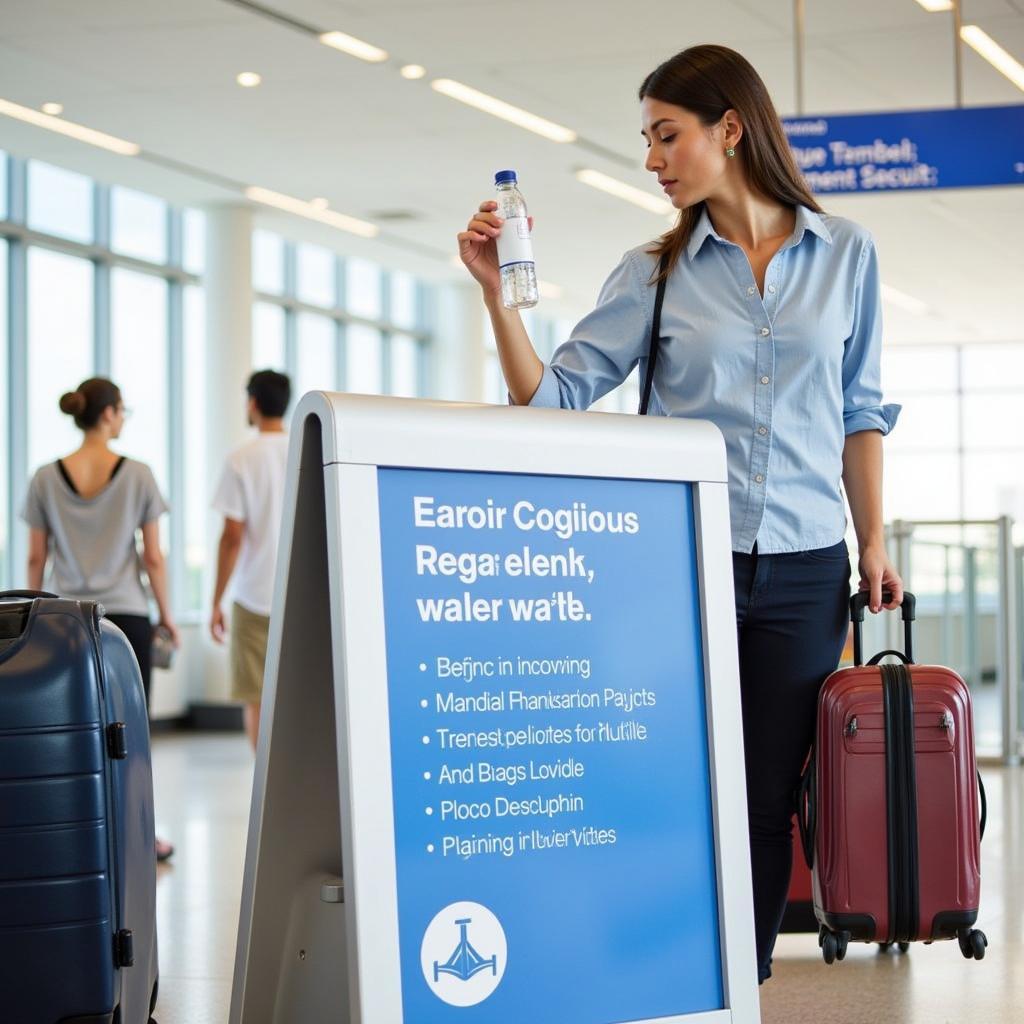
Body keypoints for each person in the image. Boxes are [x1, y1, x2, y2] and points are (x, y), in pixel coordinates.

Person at [458, 44, 904, 984]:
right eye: (648, 141)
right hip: (677, 559)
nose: (653, 161)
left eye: (668, 136)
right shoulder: (653, 271)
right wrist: (500, 302)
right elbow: (557, 396)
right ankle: (657, 967)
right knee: (667, 778)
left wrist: (873, 539)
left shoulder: (846, 254)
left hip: (807, 564)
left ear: (729, 131)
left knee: (765, 795)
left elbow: (859, 412)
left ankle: (737, 982)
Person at [23, 377, 179, 862]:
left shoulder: (45, 477)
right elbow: (153, 558)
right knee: (132, 729)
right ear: (109, 414)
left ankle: (77, 834)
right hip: (126, 618)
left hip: (65, 619)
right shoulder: (140, 474)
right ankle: (139, 836)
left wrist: (31, 617)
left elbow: (35, 559)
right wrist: (167, 615)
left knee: (75, 727)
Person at [209, 370, 291, 751]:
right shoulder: (307, 449)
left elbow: (232, 538)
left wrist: (215, 602)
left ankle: (264, 787)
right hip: (301, 592)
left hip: (254, 595)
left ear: (253, 403)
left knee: (256, 697)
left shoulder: (241, 459)